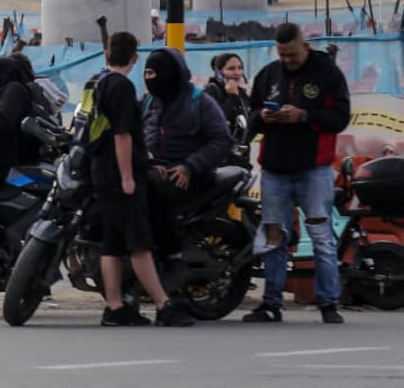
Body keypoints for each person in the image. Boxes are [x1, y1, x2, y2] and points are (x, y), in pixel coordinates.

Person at [243, 22, 351, 325]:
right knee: (274, 236)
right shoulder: (268, 75)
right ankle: (271, 304)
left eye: (291, 54)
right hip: (275, 169)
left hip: (313, 169)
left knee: (321, 236)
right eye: (282, 54)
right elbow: (252, 114)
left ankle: (328, 303)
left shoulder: (327, 74)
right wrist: (262, 117)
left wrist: (304, 116)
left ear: (305, 46)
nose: (287, 60)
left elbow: (340, 118)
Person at [86, 31, 193, 327]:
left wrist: (147, 163)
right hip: (120, 175)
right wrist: (128, 177)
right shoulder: (120, 87)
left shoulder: (97, 82)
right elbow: (122, 135)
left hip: (100, 172)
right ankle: (163, 305)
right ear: (135, 58)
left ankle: (115, 306)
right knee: (139, 243)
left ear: (108, 54)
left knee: (113, 243)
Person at [140, 47, 232, 256]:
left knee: (151, 190)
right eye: (146, 73)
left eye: (154, 74)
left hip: (189, 174)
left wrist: (190, 166)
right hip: (155, 168)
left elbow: (222, 139)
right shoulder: (149, 102)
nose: (149, 79)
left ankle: (170, 252)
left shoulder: (199, 101)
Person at [200, 52, 254, 168]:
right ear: (218, 71)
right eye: (231, 69)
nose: (237, 73)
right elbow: (215, 120)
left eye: (240, 68)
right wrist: (232, 97)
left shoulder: (242, 93)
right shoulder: (211, 92)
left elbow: (250, 121)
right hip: (219, 161)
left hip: (241, 160)